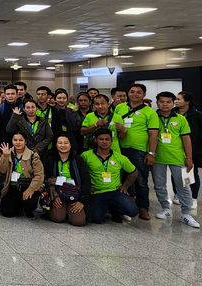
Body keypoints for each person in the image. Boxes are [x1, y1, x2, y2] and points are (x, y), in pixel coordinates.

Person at [150, 92, 199, 227]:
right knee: (159, 185)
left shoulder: (181, 119)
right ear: (157, 103)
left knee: (184, 185)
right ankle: (165, 208)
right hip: (158, 158)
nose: (165, 104)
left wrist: (189, 157)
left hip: (179, 158)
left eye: (168, 102)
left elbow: (186, 139)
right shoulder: (153, 117)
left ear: (173, 103)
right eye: (162, 101)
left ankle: (186, 213)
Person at [114, 83, 159, 220]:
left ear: (144, 95)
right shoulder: (120, 107)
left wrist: (151, 153)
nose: (135, 94)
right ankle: (122, 207)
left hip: (138, 151)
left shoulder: (150, 112)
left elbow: (153, 134)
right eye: (132, 91)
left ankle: (143, 208)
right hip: (119, 149)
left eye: (138, 92)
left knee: (141, 181)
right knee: (121, 178)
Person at [81, 129, 139, 223]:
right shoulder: (86, 155)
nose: (104, 142)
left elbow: (134, 172)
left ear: (111, 141)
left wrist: (125, 186)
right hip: (96, 192)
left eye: (107, 139)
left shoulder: (120, 157)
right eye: (101, 139)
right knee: (97, 219)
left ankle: (115, 208)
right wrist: (86, 188)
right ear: (96, 140)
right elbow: (80, 173)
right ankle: (108, 208)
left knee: (133, 211)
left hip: (115, 191)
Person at [0, 132, 44, 218]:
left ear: (25, 142)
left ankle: (29, 209)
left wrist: (31, 189)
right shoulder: (8, 152)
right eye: (15, 140)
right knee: (7, 212)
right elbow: (2, 170)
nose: (17, 142)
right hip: (12, 186)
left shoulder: (33, 156)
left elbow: (39, 175)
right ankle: (18, 206)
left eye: (20, 140)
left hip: (27, 186)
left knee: (28, 201)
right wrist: (5, 156)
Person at [43, 134, 90, 226]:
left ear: (71, 144)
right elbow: (46, 179)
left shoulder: (78, 160)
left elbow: (86, 181)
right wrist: (54, 196)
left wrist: (81, 201)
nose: (63, 145)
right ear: (55, 144)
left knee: (79, 222)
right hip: (58, 193)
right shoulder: (50, 159)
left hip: (75, 194)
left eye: (66, 143)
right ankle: (62, 210)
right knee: (58, 218)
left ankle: (68, 210)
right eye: (60, 143)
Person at [174, 91, 202, 205]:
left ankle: (193, 197)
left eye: (179, 99)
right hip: (175, 148)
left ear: (187, 101)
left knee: (191, 173)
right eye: (175, 99)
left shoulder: (197, 115)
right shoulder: (172, 113)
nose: (176, 101)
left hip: (192, 149)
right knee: (176, 173)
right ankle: (178, 194)